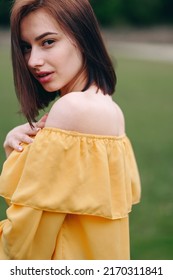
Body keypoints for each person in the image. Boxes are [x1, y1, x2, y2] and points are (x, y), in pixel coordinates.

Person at [0, 0, 141, 260]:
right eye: (26, 47)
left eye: (48, 42)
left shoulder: (73, 109)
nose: (33, 61)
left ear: (83, 36)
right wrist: (16, 150)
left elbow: (24, 248)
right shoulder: (109, 108)